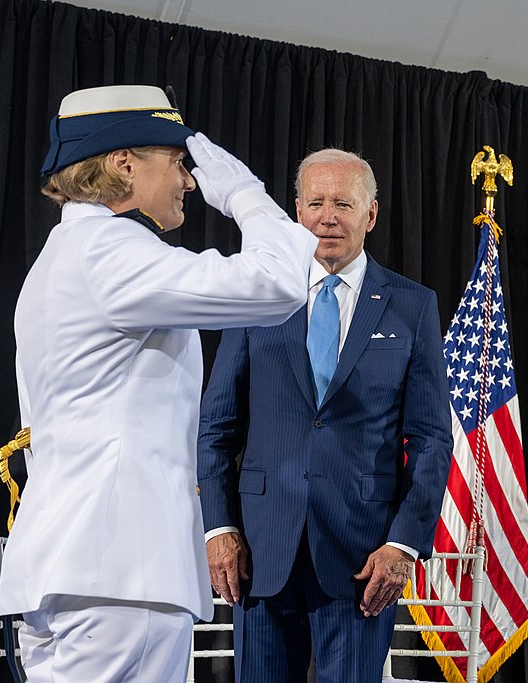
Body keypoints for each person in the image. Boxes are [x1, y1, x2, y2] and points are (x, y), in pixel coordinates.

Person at [0, 84, 319, 682]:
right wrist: (246, 195)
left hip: (76, 573)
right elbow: (279, 283)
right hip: (121, 576)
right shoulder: (110, 251)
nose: (190, 181)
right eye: (175, 162)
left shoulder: (61, 254)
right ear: (123, 163)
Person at [196, 148, 453, 682]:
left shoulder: (412, 305)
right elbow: (217, 427)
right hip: (260, 553)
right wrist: (217, 525)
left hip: (364, 559)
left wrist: (404, 544)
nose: (327, 217)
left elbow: (430, 438)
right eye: (315, 203)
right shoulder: (257, 297)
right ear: (296, 210)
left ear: (371, 214)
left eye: (343, 203)